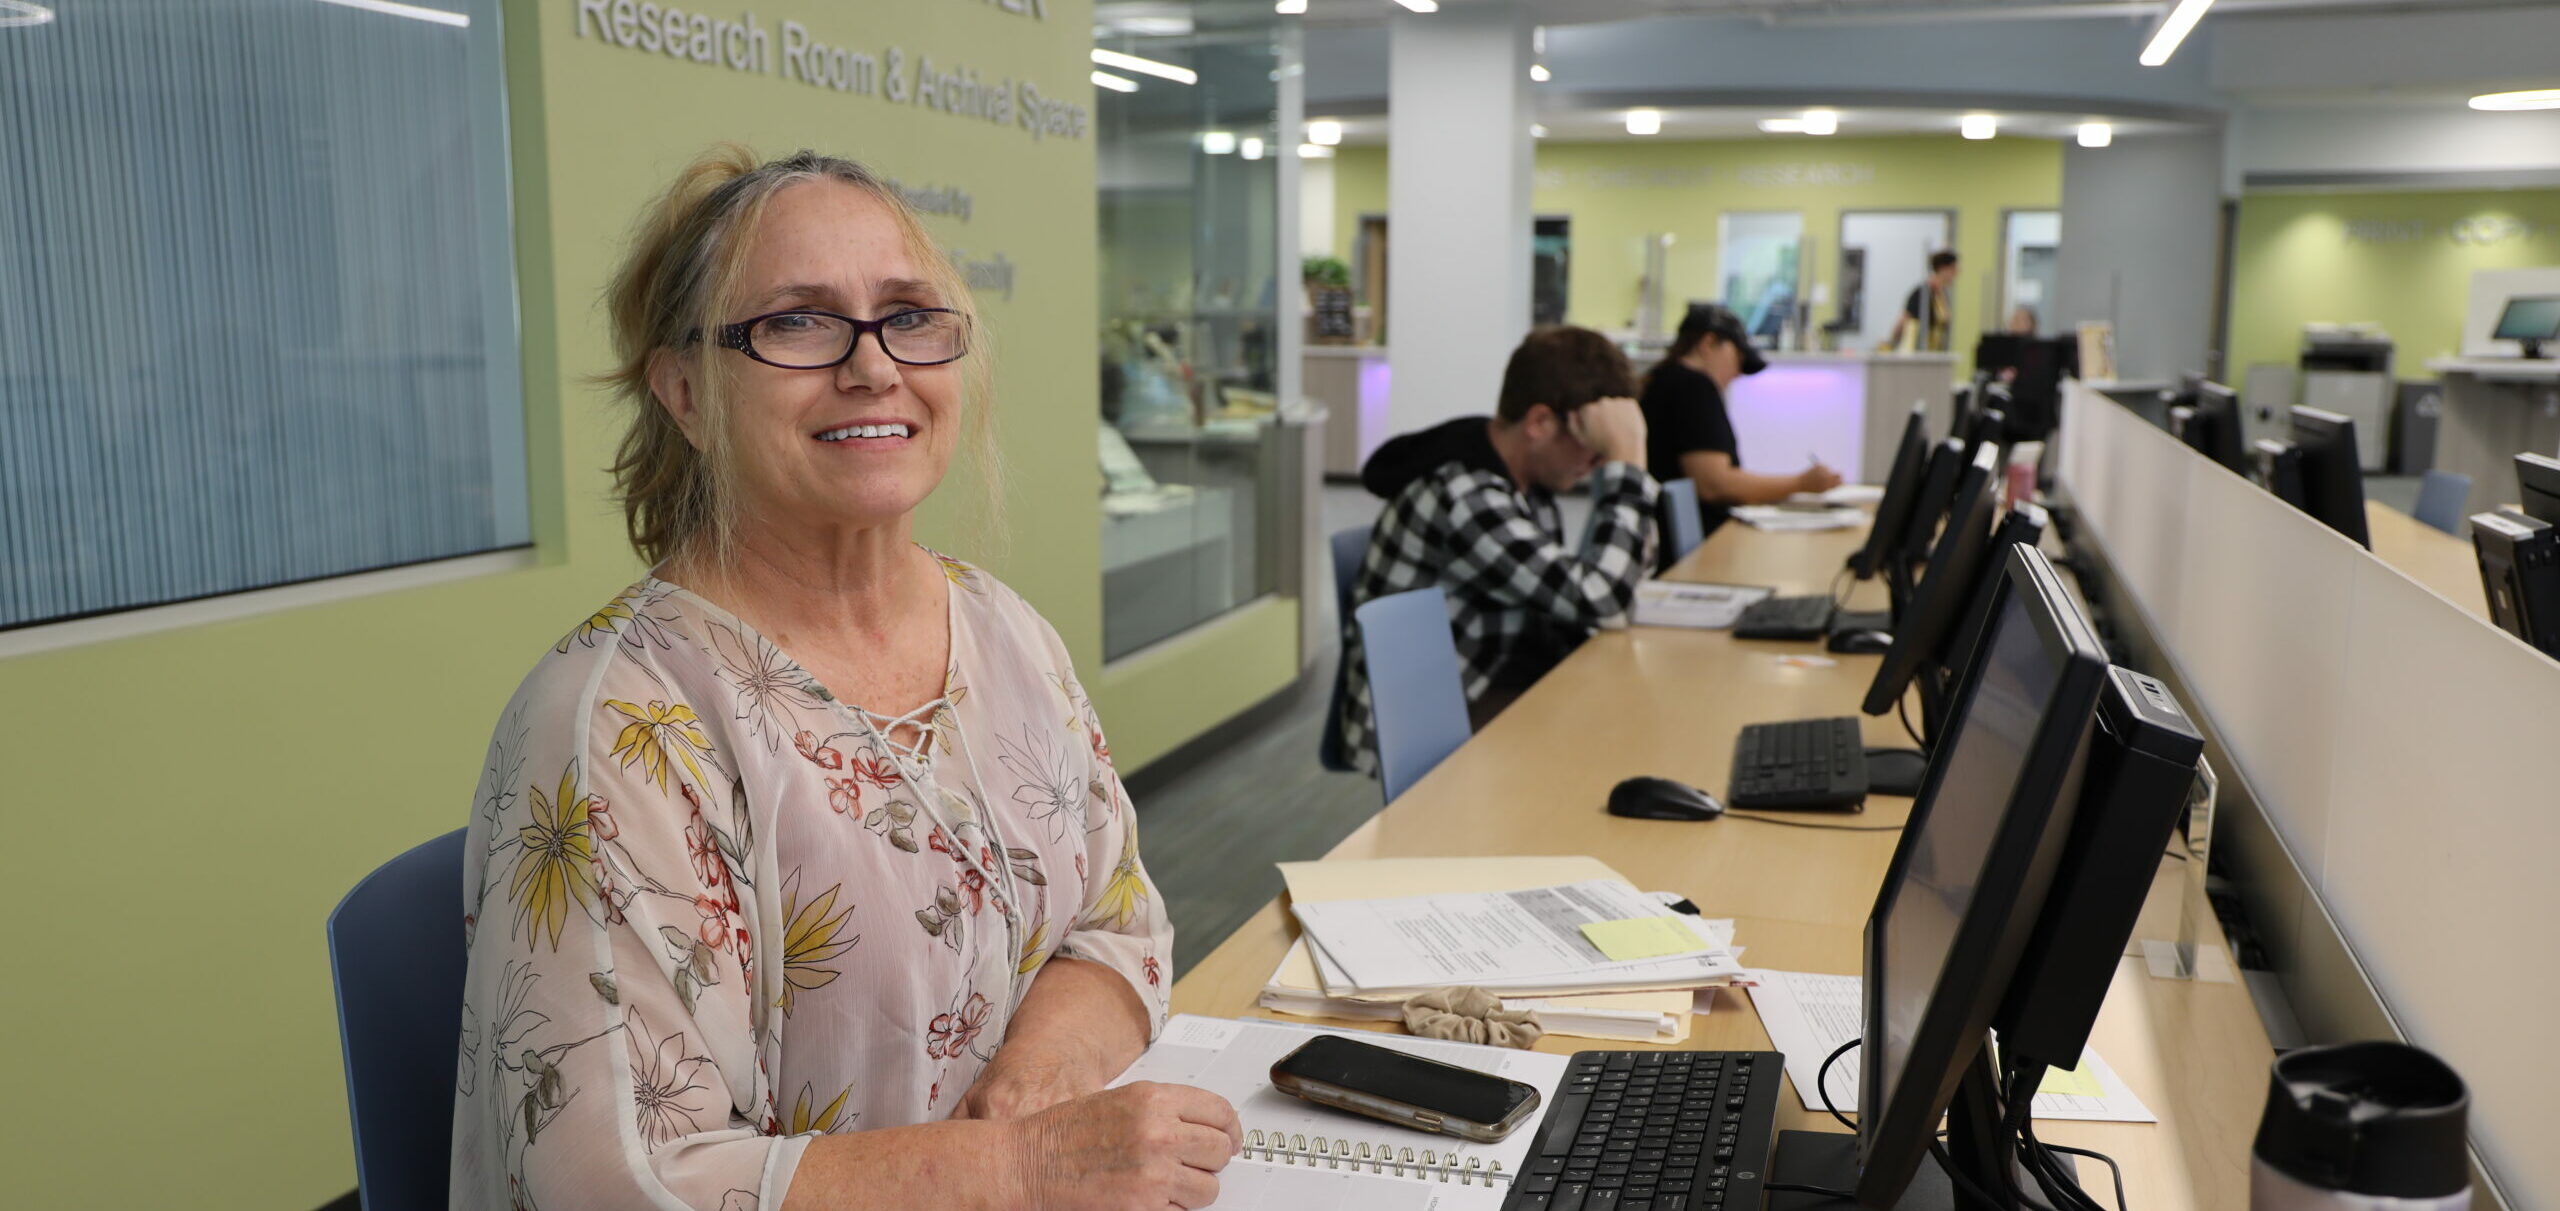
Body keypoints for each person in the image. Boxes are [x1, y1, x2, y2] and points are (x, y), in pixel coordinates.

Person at [452, 147, 1239, 1211]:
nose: (873, 367)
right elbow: (617, 1179)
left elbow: (1114, 922)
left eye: (910, 315)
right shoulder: (617, 728)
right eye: (798, 322)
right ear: (684, 390)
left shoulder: (1006, 632)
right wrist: (1018, 1167)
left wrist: (1030, 1089)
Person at [1332, 326, 1660, 774]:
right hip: (1429, 713)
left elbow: (1618, 585)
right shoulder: (1467, 495)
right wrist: (1629, 459)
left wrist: (1628, 463)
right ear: (1540, 423)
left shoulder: (1526, 484)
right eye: (1594, 444)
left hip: (1488, 679)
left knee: (1625, 718)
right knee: (1607, 746)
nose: (1598, 462)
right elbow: (1602, 600)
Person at [1640, 304, 1841, 551]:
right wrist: (1800, 483)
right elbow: (1714, 484)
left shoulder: (1663, 380)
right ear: (1709, 343)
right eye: (1738, 359)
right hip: (1700, 548)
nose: (1737, 374)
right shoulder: (1693, 387)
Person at [1885, 250, 1960, 353]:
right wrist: (1890, 345)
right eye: (1953, 268)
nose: (1957, 273)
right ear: (1943, 268)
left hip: (1932, 352)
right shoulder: (1922, 293)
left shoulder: (1942, 296)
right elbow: (1903, 321)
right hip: (1916, 353)